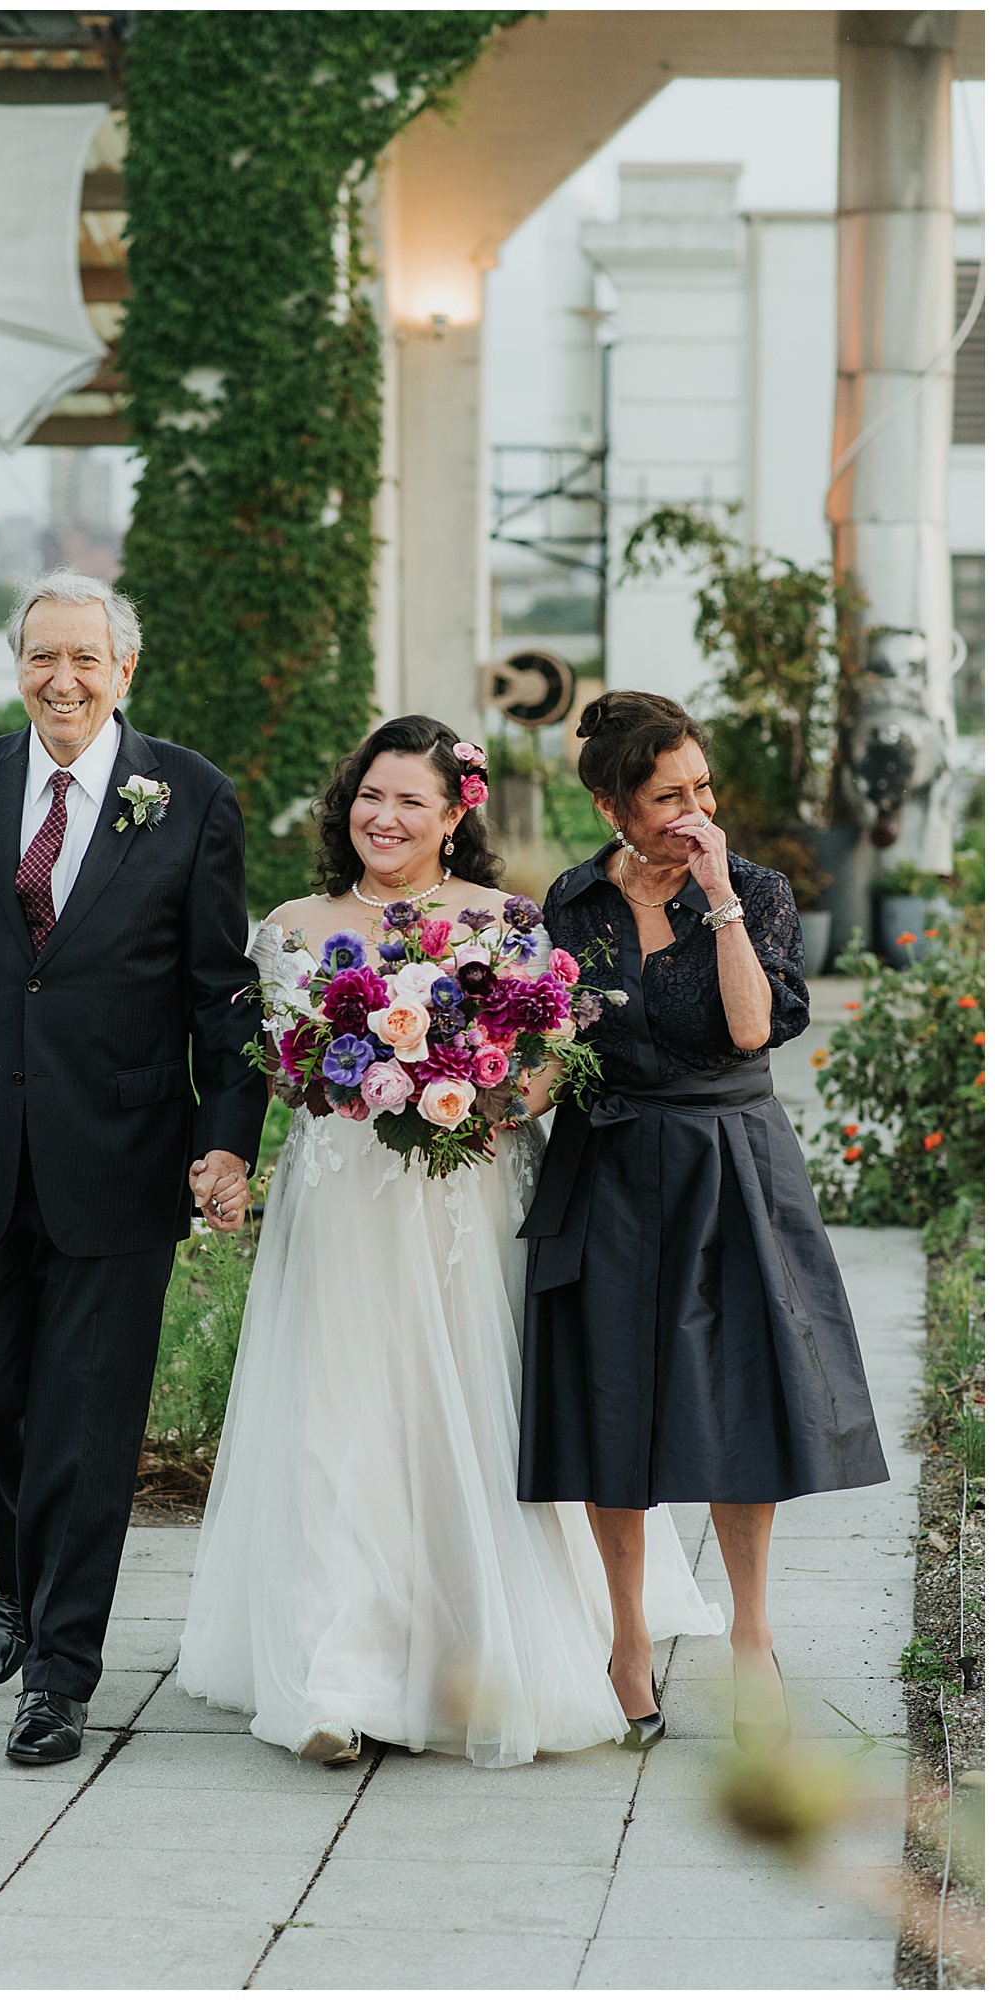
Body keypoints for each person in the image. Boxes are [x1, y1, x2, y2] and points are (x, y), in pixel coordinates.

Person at [177, 714, 721, 1769]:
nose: (383, 817)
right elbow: (269, 1063)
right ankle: (335, 1673)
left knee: (467, 1408)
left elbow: (551, 1052)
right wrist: (237, 1143)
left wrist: (506, 1082)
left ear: (453, 813)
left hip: (466, 1200)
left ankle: (473, 1653)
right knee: (337, 1418)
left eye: (410, 801)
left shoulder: (503, 922)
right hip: (339, 1207)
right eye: (369, 796)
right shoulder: (293, 924)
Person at [0, 569, 265, 1767]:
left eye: (86, 659)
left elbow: (218, 993)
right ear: (18, 664)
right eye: (43, 657)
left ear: (124, 670)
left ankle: (62, 1676)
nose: (63, 680)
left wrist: (226, 1134)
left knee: (87, 1422)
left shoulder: (190, 796)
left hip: (122, 1159)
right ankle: (20, 1577)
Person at [518, 690, 889, 1750]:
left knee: (740, 1395)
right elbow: (556, 1046)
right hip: (607, 1167)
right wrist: (473, 1097)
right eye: (667, 796)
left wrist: (718, 894)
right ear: (612, 806)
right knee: (610, 1401)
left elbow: (748, 1025)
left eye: (703, 789)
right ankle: (626, 1638)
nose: (694, 811)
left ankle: (752, 1634)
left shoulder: (758, 891)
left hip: (730, 1164)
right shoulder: (573, 900)